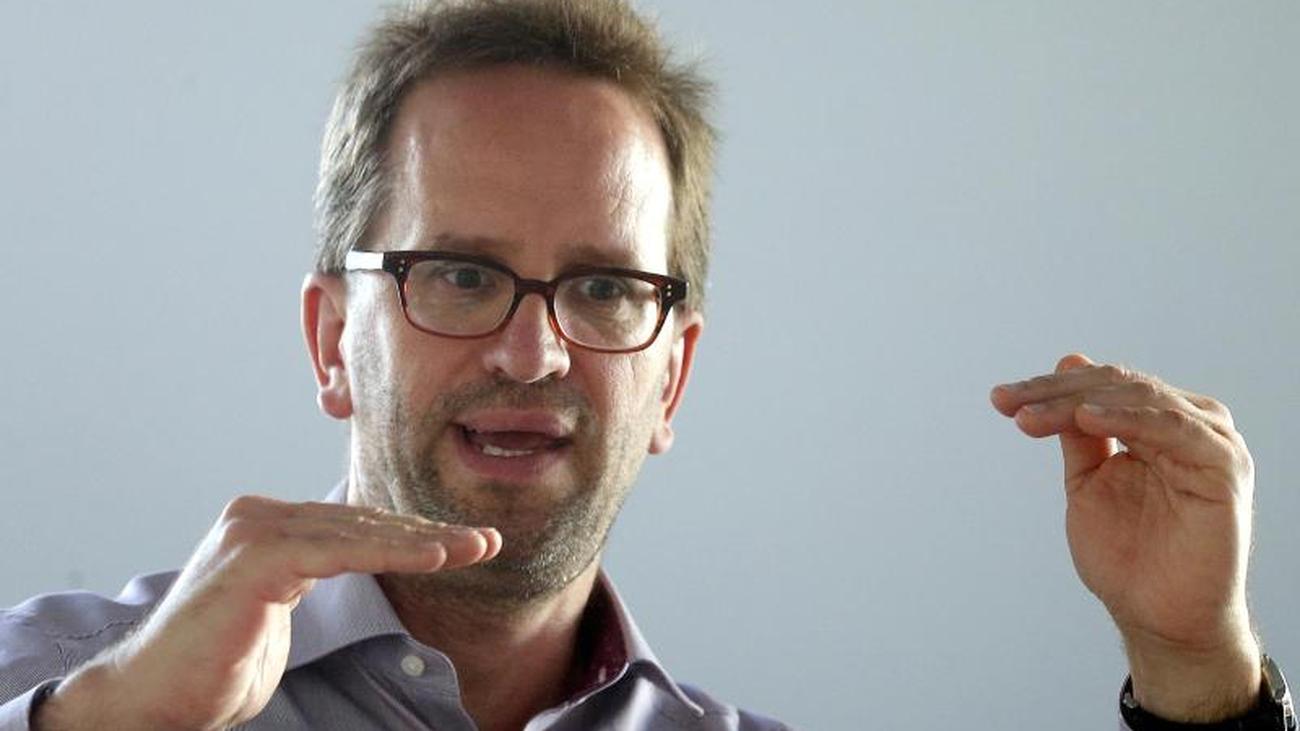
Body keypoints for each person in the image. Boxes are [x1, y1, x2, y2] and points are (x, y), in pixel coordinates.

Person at [0, 1, 1289, 730]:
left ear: (671, 380)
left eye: (606, 288)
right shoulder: (64, 685)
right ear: (336, 341)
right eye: (460, 274)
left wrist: (1197, 674)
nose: (531, 351)